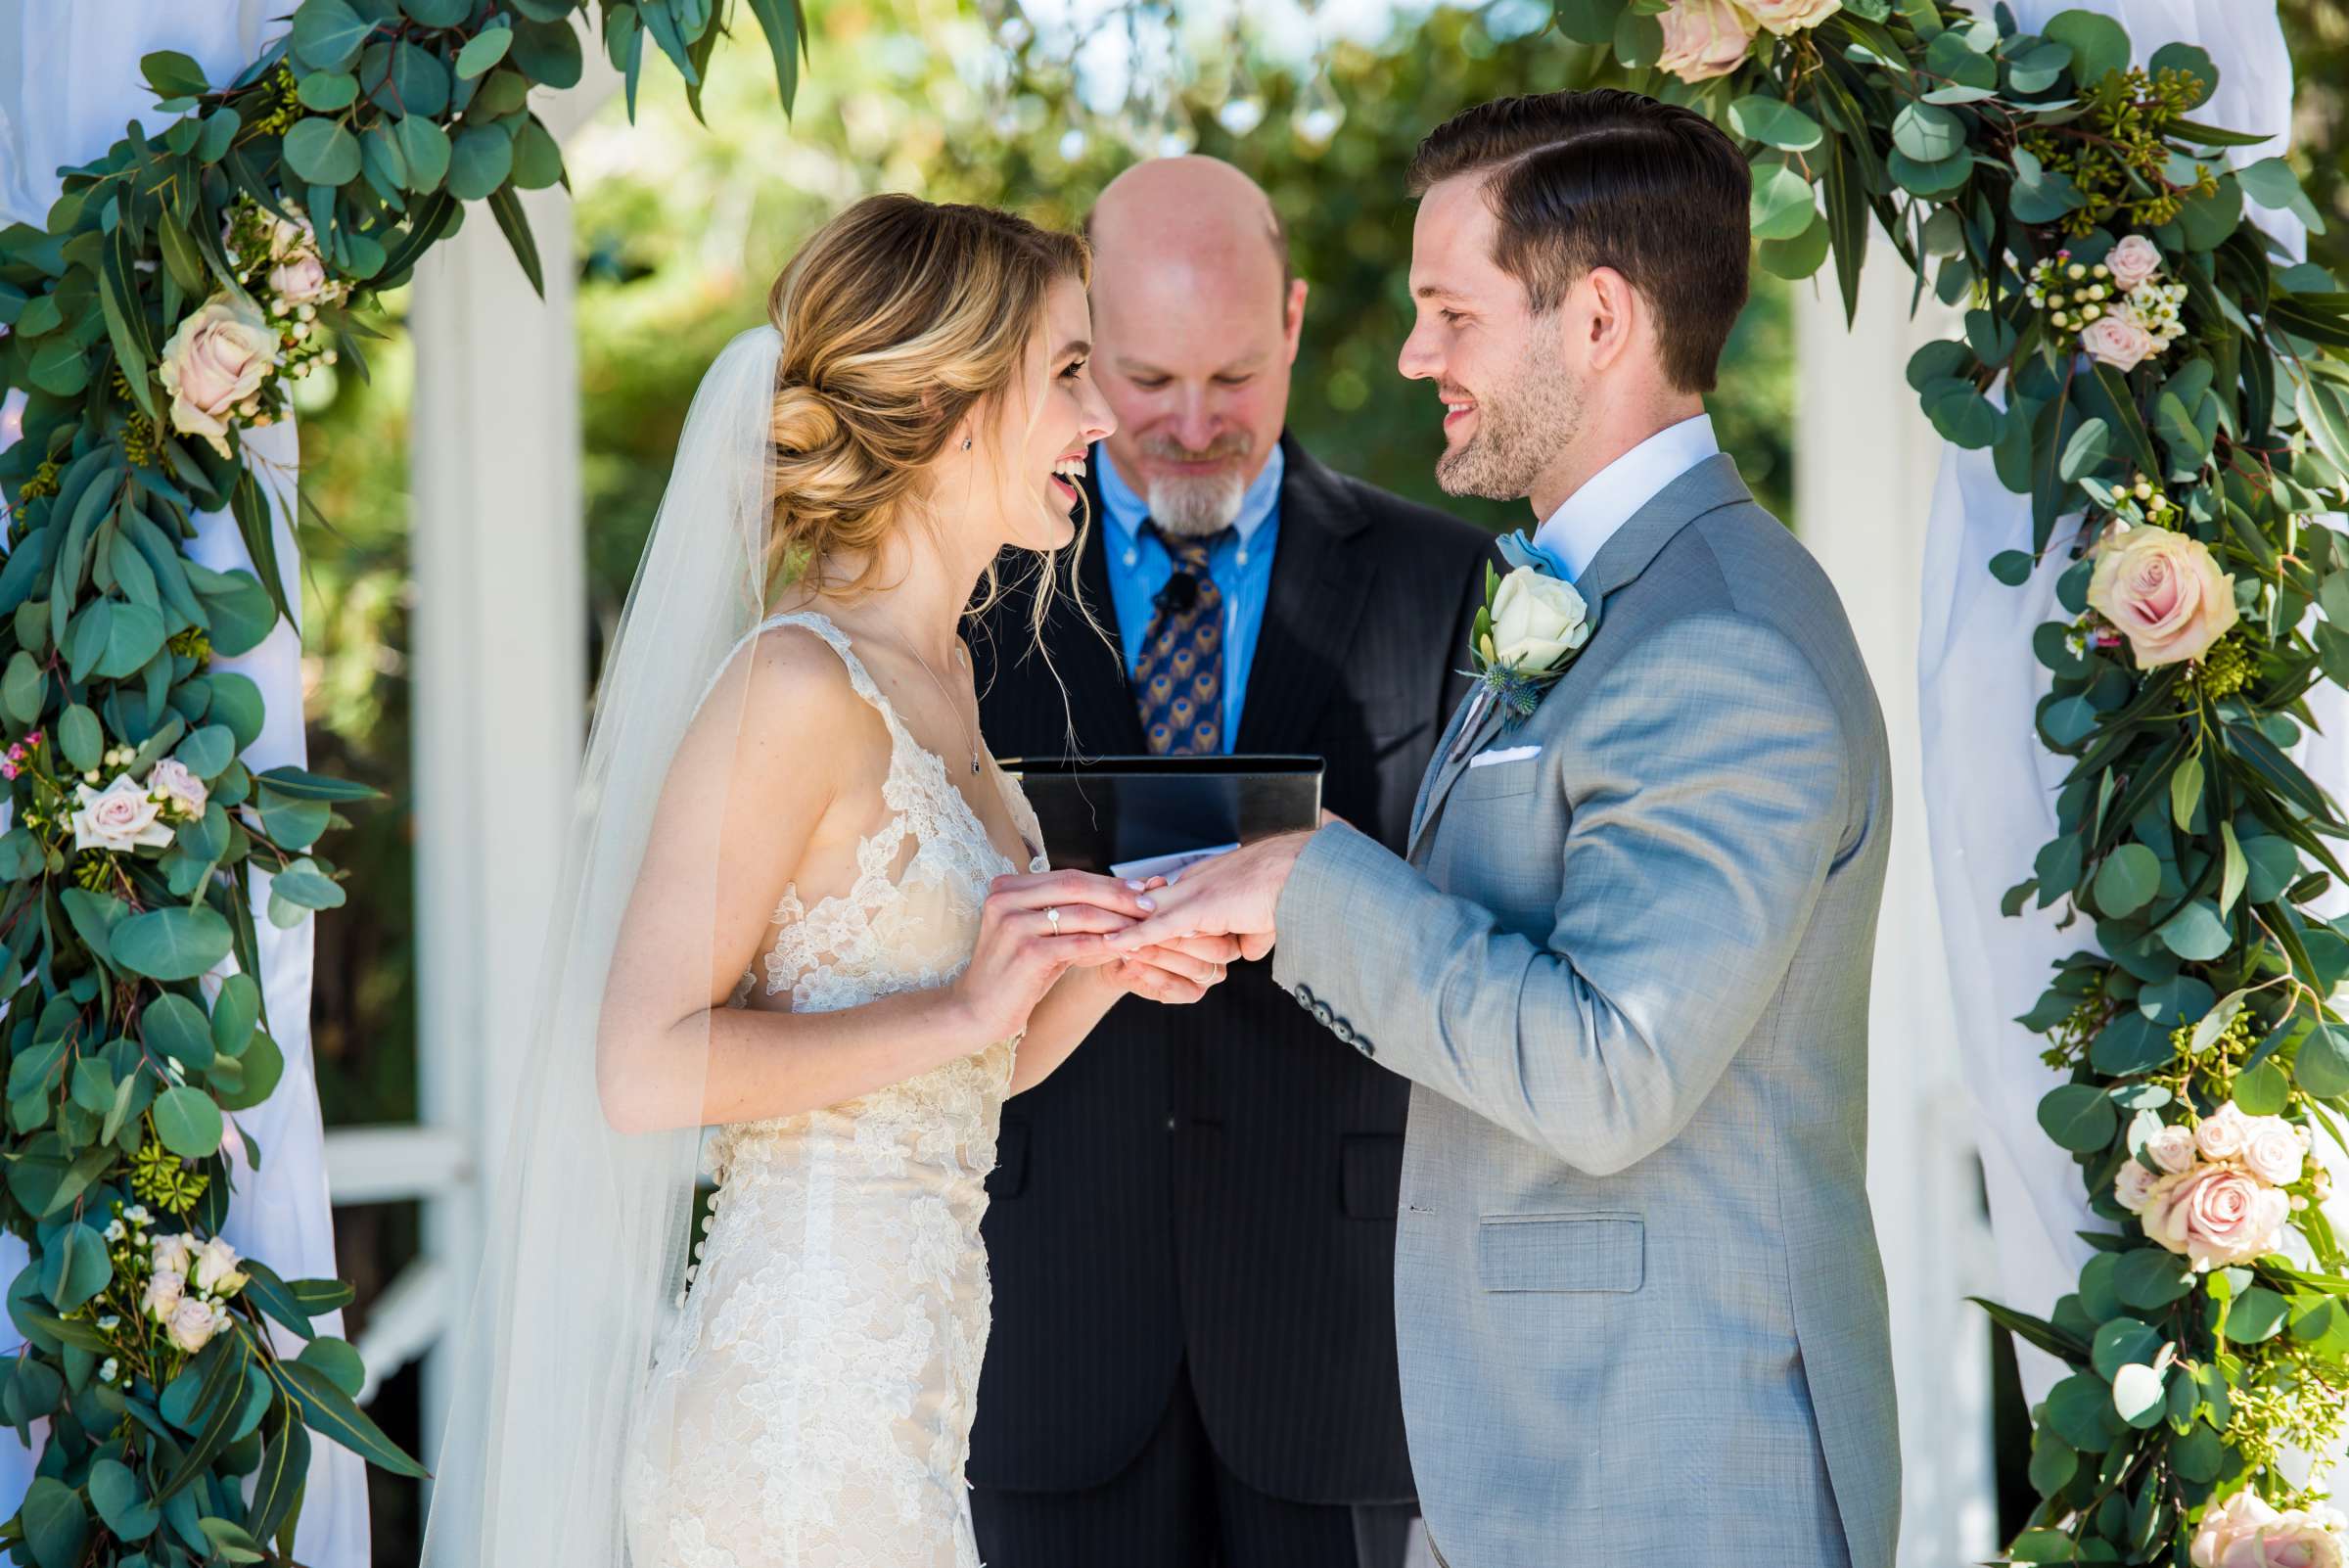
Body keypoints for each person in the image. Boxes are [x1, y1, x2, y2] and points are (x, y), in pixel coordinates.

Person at [1107, 92, 1903, 1567]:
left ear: (1596, 320)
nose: (1416, 356)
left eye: (1449, 313)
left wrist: (1307, 883)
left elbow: (1614, 1071)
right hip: (1543, 1453)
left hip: (1667, 1466)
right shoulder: (1611, 593)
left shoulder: (1723, 644)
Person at [419, 195, 1243, 1568]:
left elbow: (962, 1067)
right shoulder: (795, 685)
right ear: (952, 402)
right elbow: (640, 1065)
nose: (1102, 415)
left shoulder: (961, 682)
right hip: (790, 1430)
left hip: (907, 1412)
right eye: (1065, 371)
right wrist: (967, 1010)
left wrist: (1110, 960)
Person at [966, 157, 1494, 1568]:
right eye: (1144, 380)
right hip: (1043, 1318)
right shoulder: (970, 588)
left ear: (1299, 324)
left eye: (1235, 376)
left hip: (1339, 1324)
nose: (1194, 426)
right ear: (1078, 350)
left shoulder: (1448, 582)